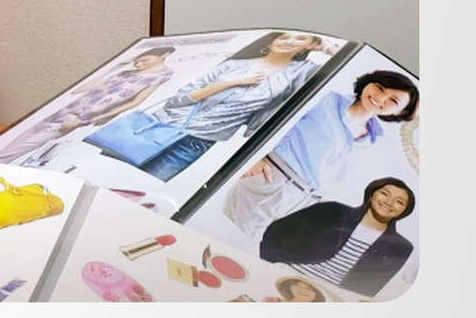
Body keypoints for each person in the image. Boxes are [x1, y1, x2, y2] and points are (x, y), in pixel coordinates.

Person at [224, 70, 419, 238]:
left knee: (256, 253)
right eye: (380, 87)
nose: (381, 97)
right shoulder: (326, 100)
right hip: (272, 179)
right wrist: (255, 157)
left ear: (400, 113)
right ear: (368, 83)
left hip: (306, 201)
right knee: (229, 237)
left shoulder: (374, 141)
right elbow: (270, 118)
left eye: (393, 100)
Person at [136, 32, 337, 181]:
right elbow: (178, 99)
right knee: (121, 179)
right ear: (271, 42)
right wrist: (233, 82)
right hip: (163, 125)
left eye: (300, 39)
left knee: (148, 187)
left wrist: (326, 46)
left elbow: (340, 71)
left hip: (198, 142)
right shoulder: (233, 65)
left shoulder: (300, 72)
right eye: (283, 37)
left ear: (309, 46)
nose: (289, 41)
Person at [0, 47, 176, 165]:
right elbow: (81, 90)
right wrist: (115, 68)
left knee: (28, 145)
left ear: (164, 55)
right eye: (137, 61)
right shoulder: (125, 73)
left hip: (81, 117)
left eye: (145, 60)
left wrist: (89, 119)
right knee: (21, 139)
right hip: (66, 110)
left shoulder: (161, 75)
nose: (139, 63)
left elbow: (136, 102)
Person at [260, 177, 415, 297]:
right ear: (371, 194)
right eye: (384, 193)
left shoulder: (400, 248)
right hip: (285, 275)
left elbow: (370, 287)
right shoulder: (333, 210)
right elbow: (277, 231)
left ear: (404, 211)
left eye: (399, 202)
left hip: (328, 295)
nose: (389, 202)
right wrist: (273, 265)